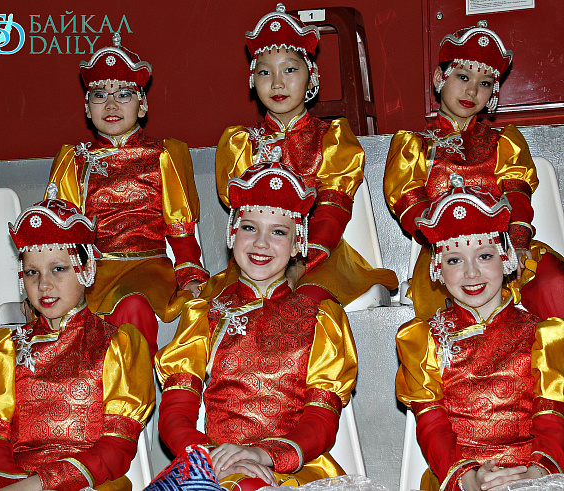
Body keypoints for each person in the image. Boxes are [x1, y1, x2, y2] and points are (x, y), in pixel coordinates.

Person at [155, 162, 358, 490]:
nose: (261, 243)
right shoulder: (203, 315)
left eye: (278, 232)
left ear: (297, 244)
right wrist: (213, 457)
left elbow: (321, 420)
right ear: (232, 234)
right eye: (250, 228)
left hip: (291, 469)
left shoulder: (321, 318)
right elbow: (175, 413)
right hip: (214, 465)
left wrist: (263, 455)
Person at [0, 184, 155, 491]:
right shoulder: (3, 348)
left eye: (58, 269)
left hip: (91, 483)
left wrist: (42, 484)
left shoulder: (118, 344)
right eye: (32, 272)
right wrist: (10, 484)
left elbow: (117, 447)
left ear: (86, 268)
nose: (44, 285)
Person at [211, 3, 398, 306]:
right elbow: (241, 214)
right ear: (252, 79)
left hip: (321, 255)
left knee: (305, 301)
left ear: (312, 77)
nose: (277, 83)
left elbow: (332, 209)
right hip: (258, 256)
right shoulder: (240, 144)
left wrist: (302, 261)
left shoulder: (332, 139)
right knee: (232, 306)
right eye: (264, 72)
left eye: (290, 69)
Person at [384, 21, 564, 321]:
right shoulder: (414, 146)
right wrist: (449, 245)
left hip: (505, 245)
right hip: (446, 253)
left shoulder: (504, 141)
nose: (472, 90)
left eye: (485, 83)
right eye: (463, 76)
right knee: (452, 318)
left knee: (555, 284)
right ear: (440, 78)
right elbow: (409, 204)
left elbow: (517, 195)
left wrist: (518, 244)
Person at [395, 175, 564, 491]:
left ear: (506, 257)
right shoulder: (423, 340)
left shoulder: (544, 336)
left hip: (535, 476)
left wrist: (535, 476)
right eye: (454, 259)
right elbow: (432, 425)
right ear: (437, 269)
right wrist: (468, 478)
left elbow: (552, 419)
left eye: (484, 256)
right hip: (460, 477)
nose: (471, 272)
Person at [47, 33, 209, 359]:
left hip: (147, 268)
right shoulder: (74, 160)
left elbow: (181, 230)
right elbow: (61, 235)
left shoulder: (164, 155)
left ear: (142, 103)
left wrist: (190, 276)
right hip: (91, 273)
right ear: (87, 107)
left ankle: (134, 385)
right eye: (99, 95)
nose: (111, 105)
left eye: (124, 94)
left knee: (131, 304)